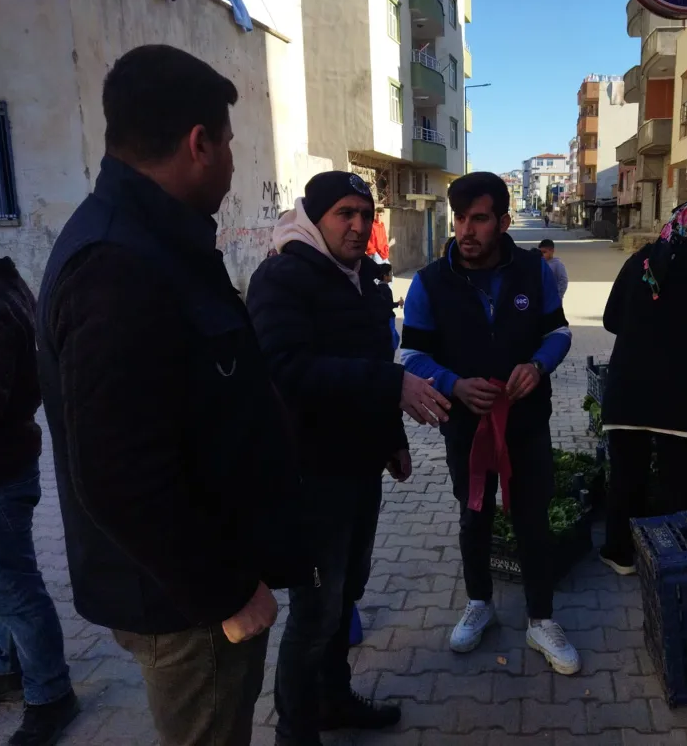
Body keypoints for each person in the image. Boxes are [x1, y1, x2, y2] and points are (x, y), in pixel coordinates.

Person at [36, 45, 316, 746]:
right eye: (227, 143)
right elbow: (117, 475)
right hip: (189, 609)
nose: (230, 160)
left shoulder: (160, 244)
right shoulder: (119, 266)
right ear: (199, 144)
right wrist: (226, 590)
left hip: (198, 585)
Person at [246, 171, 451, 746]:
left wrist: (392, 439)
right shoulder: (284, 277)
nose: (359, 226)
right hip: (311, 475)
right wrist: (391, 387)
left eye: (366, 214)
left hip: (358, 468)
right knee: (314, 613)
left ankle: (333, 702)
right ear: (315, 217)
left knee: (344, 597)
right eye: (344, 213)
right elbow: (287, 368)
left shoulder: (361, 277)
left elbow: (370, 362)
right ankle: (296, 732)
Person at [401, 172, 581, 675]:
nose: (465, 230)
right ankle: (479, 602)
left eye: (478, 219)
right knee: (473, 515)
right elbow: (412, 353)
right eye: (459, 218)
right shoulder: (430, 282)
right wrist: (451, 383)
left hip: (526, 423)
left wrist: (538, 364)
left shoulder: (533, 271)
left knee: (531, 520)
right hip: (466, 428)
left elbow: (560, 332)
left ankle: (540, 619)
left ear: (503, 221)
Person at [598, 199, 687, 575]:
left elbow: (612, 320)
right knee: (679, 476)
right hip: (678, 392)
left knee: (627, 474)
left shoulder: (638, 262)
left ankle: (620, 554)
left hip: (627, 387)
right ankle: (675, 556)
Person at [0, 223, 78, 746]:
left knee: (12, 589)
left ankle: (51, 692)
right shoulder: (5, 290)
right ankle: (7, 665)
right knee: (3, 579)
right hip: (6, 465)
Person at [376, 263, 404, 352]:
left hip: (381, 318)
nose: (392, 275)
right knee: (393, 340)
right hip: (388, 318)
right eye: (390, 273)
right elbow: (388, 305)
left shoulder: (377, 288)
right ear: (385, 276)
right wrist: (398, 303)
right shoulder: (387, 289)